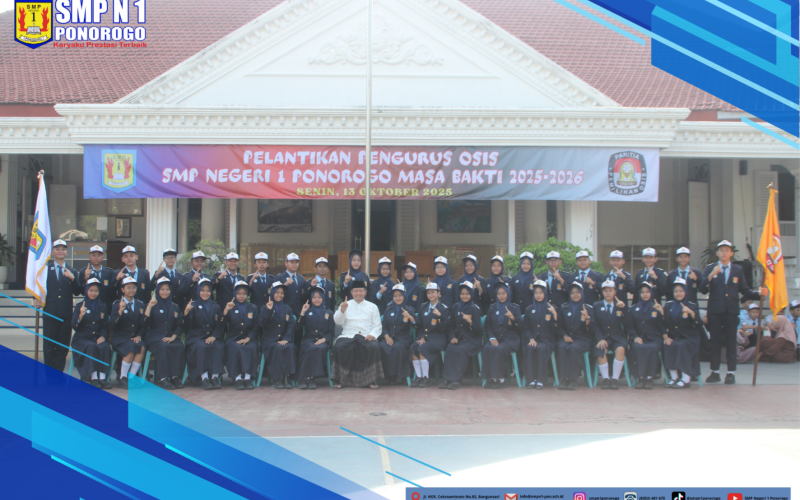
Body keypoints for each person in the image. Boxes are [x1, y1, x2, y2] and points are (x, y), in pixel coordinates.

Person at [699, 240, 766, 384]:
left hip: (731, 310)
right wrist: (711, 275)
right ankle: (715, 371)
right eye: (721, 250)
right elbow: (703, 288)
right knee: (715, 341)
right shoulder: (711, 268)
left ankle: (731, 372)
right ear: (717, 253)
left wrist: (758, 294)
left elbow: (744, 289)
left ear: (731, 253)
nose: (724, 253)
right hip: (715, 310)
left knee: (731, 341)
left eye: (727, 250)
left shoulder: (737, 269)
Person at [34, 239, 81, 373]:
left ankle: (58, 373)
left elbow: (77, 291)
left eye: (63, 249)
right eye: (57, 249)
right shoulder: (45, 269)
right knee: (49, 346)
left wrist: (73, 278)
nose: (60, 251)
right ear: (52, 251)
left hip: (65, 314)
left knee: (63, 346)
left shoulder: (72, 270)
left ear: (66, 252)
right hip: (50, 312)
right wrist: (35, 298)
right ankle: (50, 375)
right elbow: (38, 286)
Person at [332, 280, 383, 389]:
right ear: (351, 292)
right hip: (348, 335)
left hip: (366, 336)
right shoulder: (345, 304)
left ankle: (370, 380)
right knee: (340, 346)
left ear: (365, 292)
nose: (358, 293)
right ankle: (342, 380)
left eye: (361, 291)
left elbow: (377, 326)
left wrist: (372, 335)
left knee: (374, 347)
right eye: (356, 291)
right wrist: (342, 311)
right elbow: (338, 322)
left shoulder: (372, 306)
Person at [143, 276, 186, 390]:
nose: (165, 292)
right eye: (162, 289)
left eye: (167, 289)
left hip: (171, 337)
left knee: (179, 346)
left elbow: (179, 325)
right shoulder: (152, 305)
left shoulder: (175, 307)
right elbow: (144, 323)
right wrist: (149, 307)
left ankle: (175, 377)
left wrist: (173, 337)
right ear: (157, 290)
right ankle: (164, 378)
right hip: (155, 338)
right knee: (164, 347)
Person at [440, 281, 483, 390]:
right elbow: (451, 325)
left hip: (472, 340)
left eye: (467, 294)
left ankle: (457, 379)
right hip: (459, 338)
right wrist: (452, 337)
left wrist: (470, 322)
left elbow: (479, 331)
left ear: (471, 294)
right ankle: (447, 378)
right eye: (462, 294)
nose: (464, 296)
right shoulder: (456, 307)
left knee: (461, 350)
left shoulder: (475, 309)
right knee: (450, 348)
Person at [183, 278, 225, 390]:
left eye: (208, 291)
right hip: (196, 338)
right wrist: (186, 313)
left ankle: (215, 377)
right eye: (202, 290)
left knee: (218, 346)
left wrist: (214, 336)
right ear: (198, 291)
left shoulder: (215, 306)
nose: (205, 293)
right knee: (201, 347)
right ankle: (204, 378)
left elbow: (219, 325)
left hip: (211, 337)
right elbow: (186, 326)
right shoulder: (193, 305)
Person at [70, 278, 112, 388]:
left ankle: (102, 378)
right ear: (86, 291)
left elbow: (105, 325)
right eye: (91, 290)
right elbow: (74, 326)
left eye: (96, 291)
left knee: (104, 346)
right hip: (82, 339)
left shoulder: (102, 306)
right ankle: (94, 378)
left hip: (96, 337)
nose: (93, 293)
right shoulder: (80, 306)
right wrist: (80, 316)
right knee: (91, 346)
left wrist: (103, 336)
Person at [592, 280, 633, 390]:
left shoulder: (620, 305)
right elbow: (594, 325)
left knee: (620, 350)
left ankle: (615, 379)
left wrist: (624, 309)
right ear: (602, 292)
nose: (608, 293)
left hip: (617, 337)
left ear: (615, 292)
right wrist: (600, 338)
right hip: (603, 337)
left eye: (610, 290)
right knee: (601, 350)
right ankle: (605, 379)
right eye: (605, 291)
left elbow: (628, 323)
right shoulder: (596, 306)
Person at [663, 278, 702, 388]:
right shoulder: (669, 305)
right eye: (676, 291)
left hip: (689, 338)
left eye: (681, 291)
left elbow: (699, 324)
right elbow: (664, 324)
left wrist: (691, 313)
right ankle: (674, 377)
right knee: (668, 345)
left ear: (686, 291)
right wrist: (666, 337)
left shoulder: (691, 305)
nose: (678, 293)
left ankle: (686, 379)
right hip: (674, 337)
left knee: (681, 345)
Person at [482, 281, 522, 389]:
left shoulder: (515, 308)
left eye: (504, 293)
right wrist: (492, 338)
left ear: (508, 293)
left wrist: (513, 318)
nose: (501, 296)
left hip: (510, 339)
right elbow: (487, 326)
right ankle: (492, 378)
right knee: (487, 347)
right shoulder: (492, 308)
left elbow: (520, 327)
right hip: (496, 338)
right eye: (499, 294)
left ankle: (501, 380)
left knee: (499, 349)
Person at [409, 283, 450, 388]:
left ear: (438, 293)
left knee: (423, 348)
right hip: (425, 338)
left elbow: (444, 328)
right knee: (414, 347)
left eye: (433, 292)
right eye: (428, 293)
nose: (431, 295)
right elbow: (420, 325)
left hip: (438, 339)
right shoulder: (423, 306)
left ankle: (426, 378)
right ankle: (419, 376)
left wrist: (440, 316)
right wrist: (422, 336)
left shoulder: (443, 308)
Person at [109, 276, 147, 389]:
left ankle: (131, 377)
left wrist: (139, 335)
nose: (131, 290)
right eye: (128, 287)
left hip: (134, 337)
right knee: (130, 348)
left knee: (142, 347)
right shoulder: (117, 304)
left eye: (133, 287)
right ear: (122, 289)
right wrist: (120, 311)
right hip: (120, 337)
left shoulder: (140, 305)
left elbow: (143, 324)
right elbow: (112, 325)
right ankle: (123, 377)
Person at [556, 282, 595, 390]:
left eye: (578, 292)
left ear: (582, 293)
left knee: (574, 348)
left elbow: (593, 329)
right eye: (572, 293)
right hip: (567, 337)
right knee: (562, 347)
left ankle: (573, 379)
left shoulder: (588, 308)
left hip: (583, 339)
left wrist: (587, 318)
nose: (575, 295)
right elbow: (559, 326)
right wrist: (564, 336)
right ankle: (564, 378)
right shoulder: (564, 308)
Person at [628, 282, 666, 389]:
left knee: (652, 348)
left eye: (647, 292)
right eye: (642, 292)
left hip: (654, 339)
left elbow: (663, 326)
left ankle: (649, 378)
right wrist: (635, 336)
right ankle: (640, 378)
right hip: (638, 338)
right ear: (639, 294)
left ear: (651, 293)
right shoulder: (633, 308)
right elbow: (629, 326)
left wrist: (662, 313)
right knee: (637, 348)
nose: (645, 294)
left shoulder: (656, 307)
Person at [521, 280, 558, 389]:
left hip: (546, 341)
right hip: (533, 339)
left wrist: (555, 316)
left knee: (541, 349)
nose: (538, 295)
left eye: (541, 292)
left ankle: (540, 379)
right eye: (536, 293)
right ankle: (531, 379)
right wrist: (530, 338)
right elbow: (526, 328)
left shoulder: (551, 308)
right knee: (530, 349)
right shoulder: (529, 309)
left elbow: (556, 329)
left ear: (545, 293)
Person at [222, 281, 259, 390]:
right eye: (239, 293)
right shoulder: (230, 307)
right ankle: (237, 378)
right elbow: (221, 325)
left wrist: (248, 338)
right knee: (235, 348)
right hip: (233, 339)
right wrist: (225, 312)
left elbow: (256, 327)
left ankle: (247, 378)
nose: (242, 296)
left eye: (244, 293)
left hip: (248, 338)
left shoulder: (253, 308)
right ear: (235, 294)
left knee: (252, 347)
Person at [260, 281, 297, 389]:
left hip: (284, 339)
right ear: (272, 293)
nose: (279, 295)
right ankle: (277, 378)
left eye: (282, 293)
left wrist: (286, 338)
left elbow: (291, 325)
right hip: (270, 340)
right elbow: (262, 324)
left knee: (289, 347)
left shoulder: (287, 308)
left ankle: (287, 377)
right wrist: (269, 311)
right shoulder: (265, 308)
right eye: (277, 292)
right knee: (276, 348)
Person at [296, 286, 335, 389]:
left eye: (319, 297)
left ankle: (307, 378)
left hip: (323, 341)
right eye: (314, 297)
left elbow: (331, 332)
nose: (316, 300)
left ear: (323, 298)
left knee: (318, 348)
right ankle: (308, 378)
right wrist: (302, 313)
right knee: (310, 347)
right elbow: (297, 327)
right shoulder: (307, 312)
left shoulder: (329, 313)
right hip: (309, 340)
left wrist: (325, 339)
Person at [379, 284, 416, 385]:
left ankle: (401, 375)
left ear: (404, 296)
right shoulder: (388, 310)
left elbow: (416, 324)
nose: (397, 298)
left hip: (403, 339)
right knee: (382, 346)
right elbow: (384, 327)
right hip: (389, 338)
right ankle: (390, 376)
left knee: (397, 348)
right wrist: (387, 337)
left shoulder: (409, 310)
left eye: (400, 295)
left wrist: (410, 317)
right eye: (395, 296)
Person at [275, 253, 306, 350]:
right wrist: (285, 284)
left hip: (299, 312)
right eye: (292, 262)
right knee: (285, 338)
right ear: (286, 263)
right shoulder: (279, 278)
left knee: (298, 337)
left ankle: (297, 358)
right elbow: (275, 294)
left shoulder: (301, 278)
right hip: (285, 312)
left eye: (296, 262)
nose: (294, 264)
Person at [77, 245, 116, 313]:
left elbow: (112, 292)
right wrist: (85, 279)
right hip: (90, 308)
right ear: (89, 257)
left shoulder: (109, 272)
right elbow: (82, 292)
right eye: (93, 255)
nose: (96, 257)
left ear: (102, 257)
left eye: (98, 255)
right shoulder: (84, 272)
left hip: (106, 308)